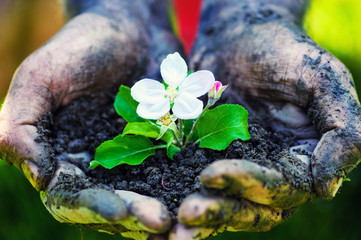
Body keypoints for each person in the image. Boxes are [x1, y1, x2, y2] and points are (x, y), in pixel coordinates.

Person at [0, 0, 360, 239]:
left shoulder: (190, 93)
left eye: (173, 95)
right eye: (169, 95)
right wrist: (116, 8)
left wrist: (254, 11)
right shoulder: (162, 97)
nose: (170, 97)